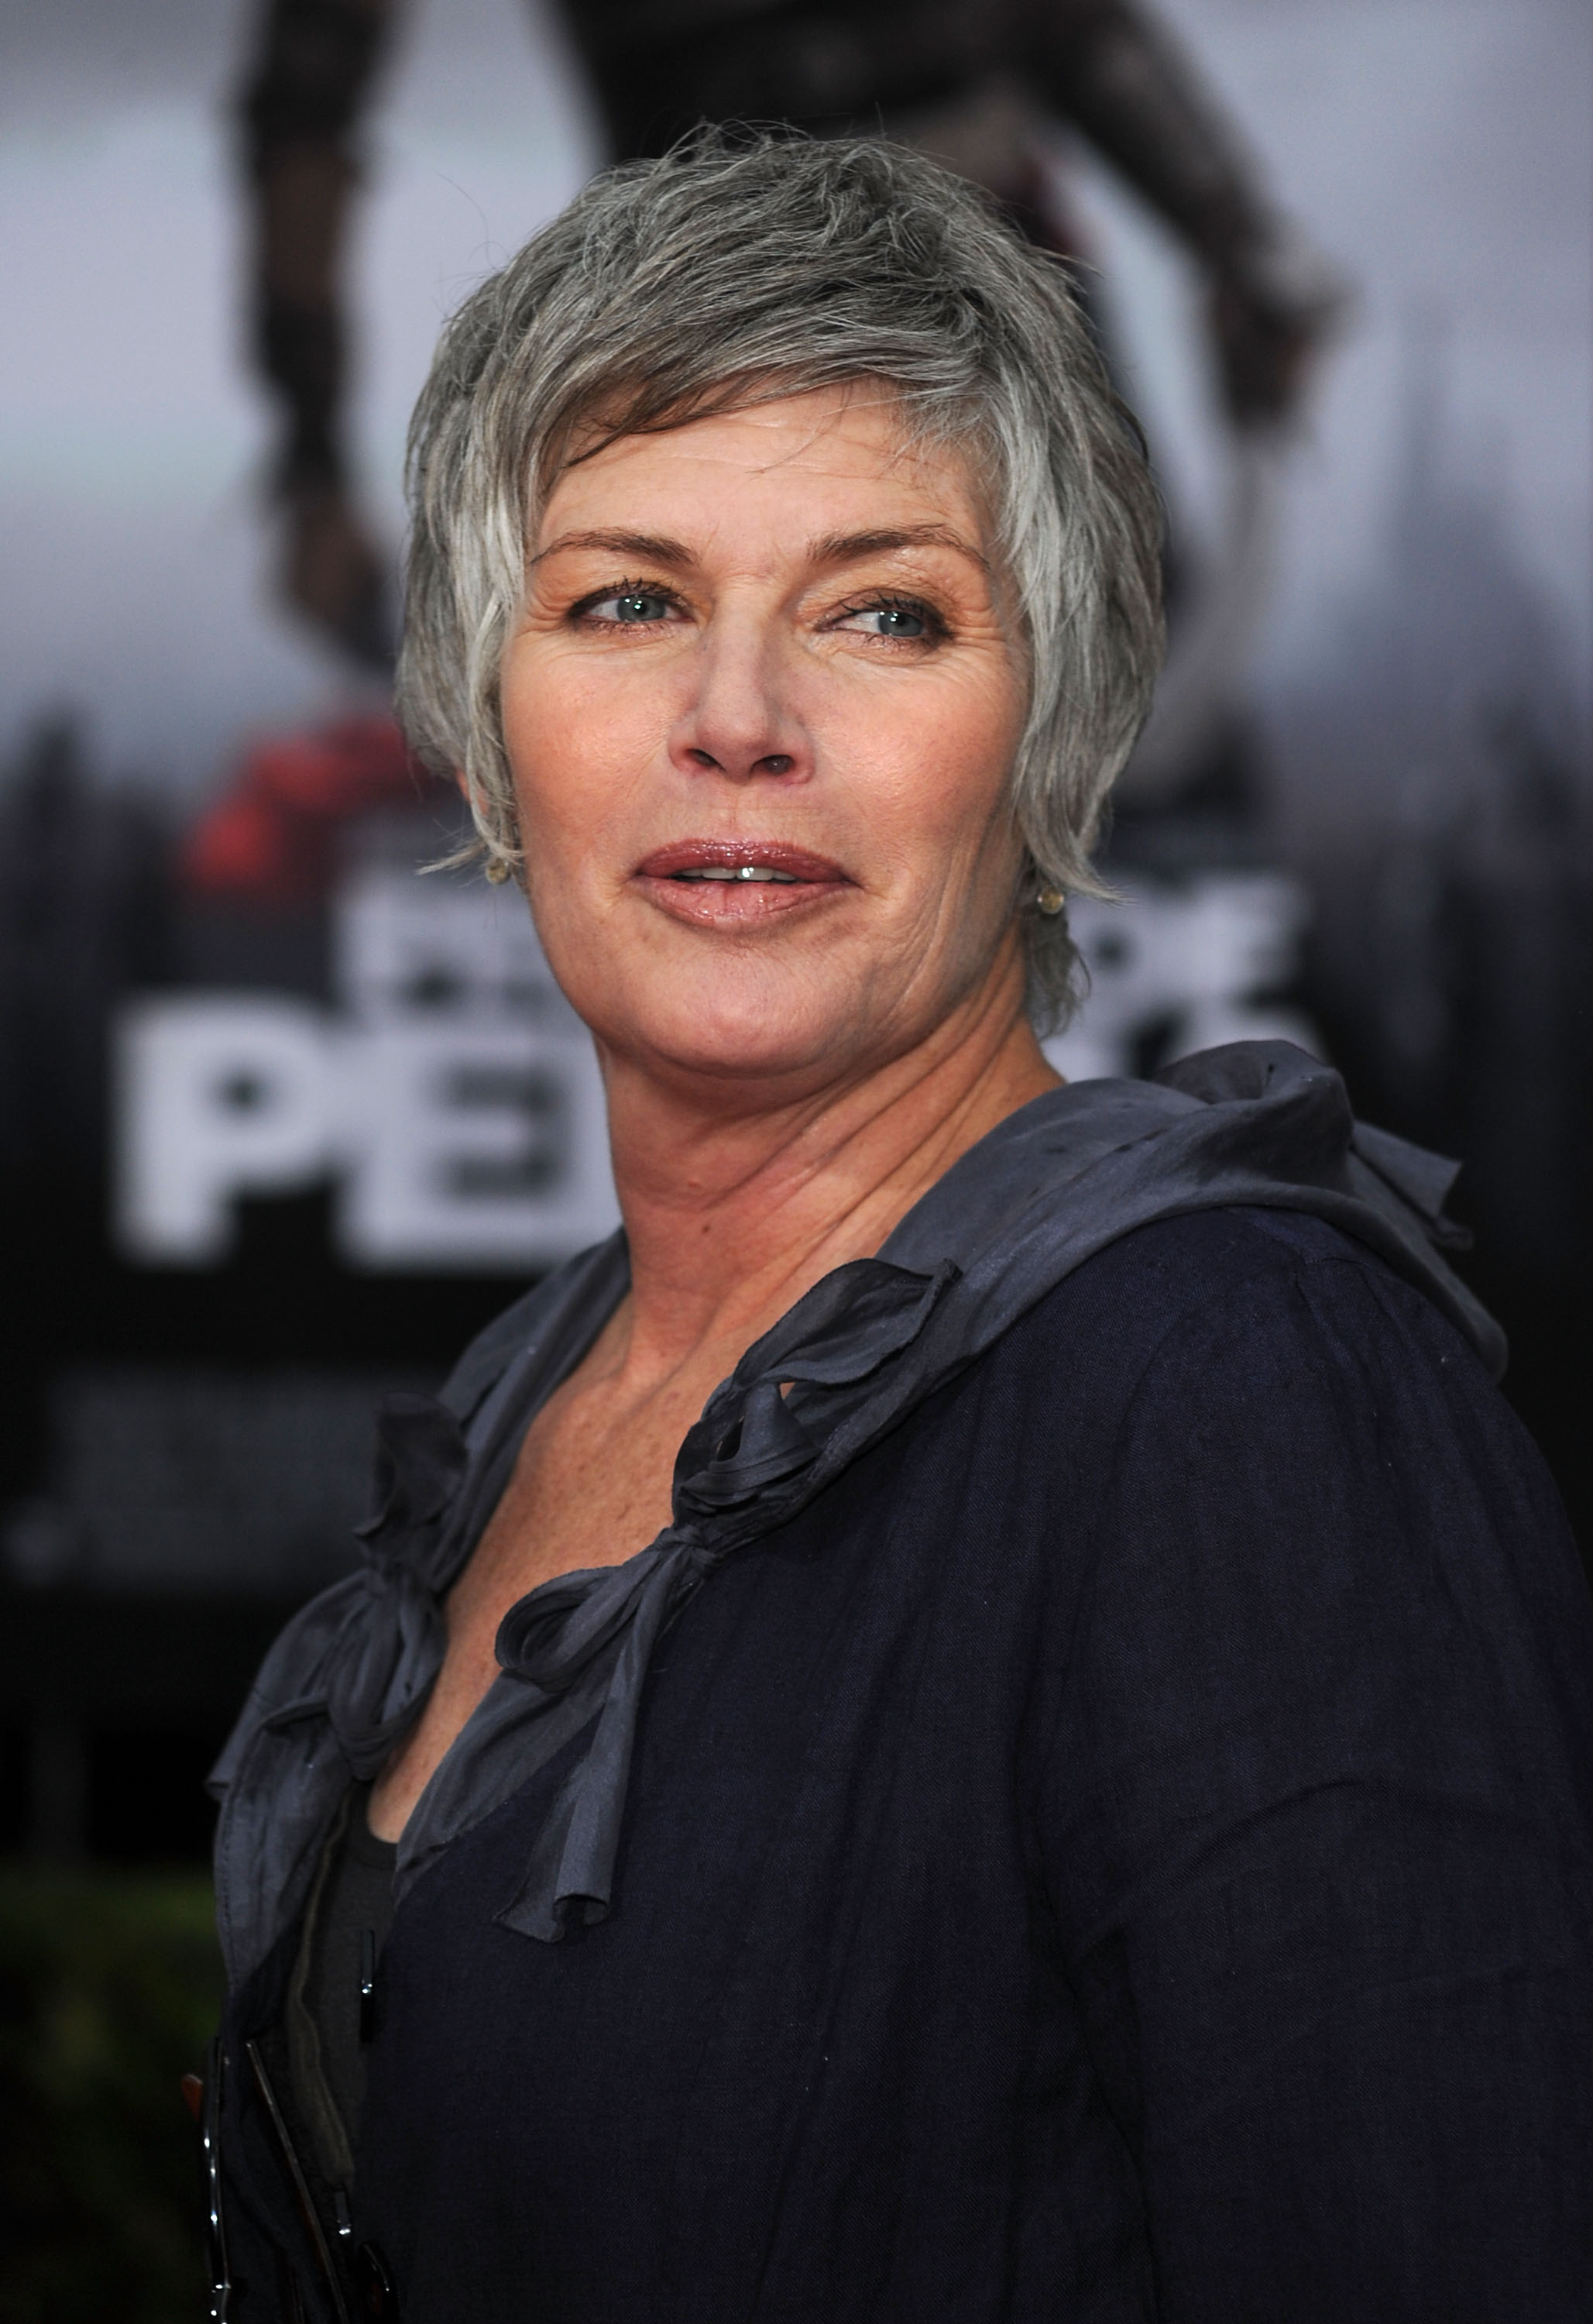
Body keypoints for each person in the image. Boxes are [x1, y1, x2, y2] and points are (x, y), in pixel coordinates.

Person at [202, 136, 1592, 2323]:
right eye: (627, 599)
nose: (737, 722)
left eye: (883, 612)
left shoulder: (1238, 1396)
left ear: (1052, 735)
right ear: (487, 732)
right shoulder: (531, 1396)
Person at [237, 0, 1344, 669]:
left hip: (972, 259)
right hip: (725, 293)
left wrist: (1234, 241)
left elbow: (1062, 21)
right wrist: (311, 464)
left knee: (1097, 676)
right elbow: (306, 112)